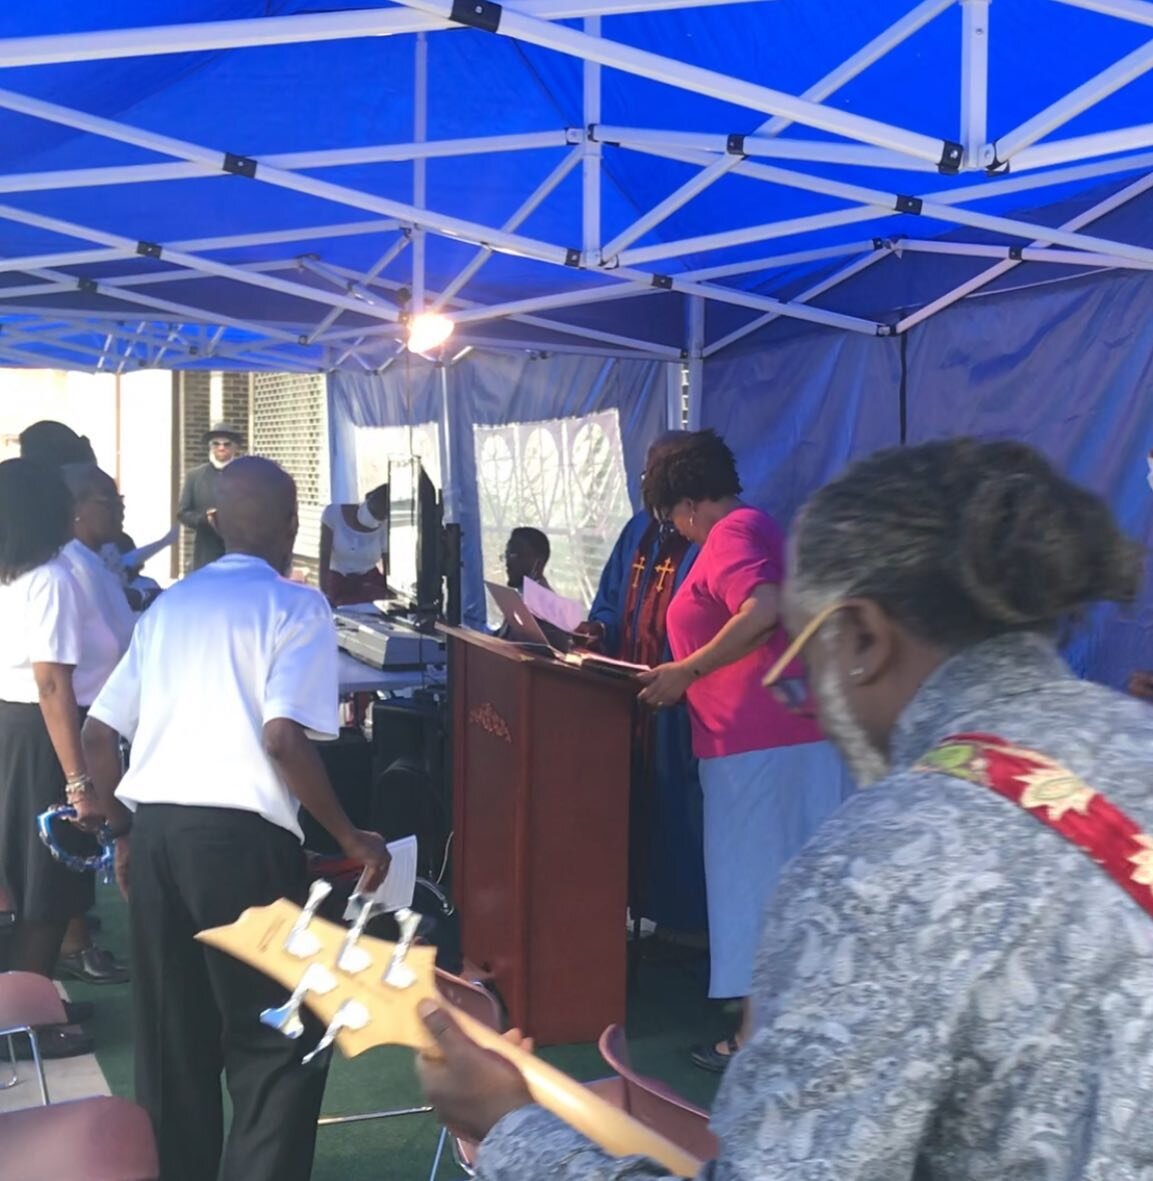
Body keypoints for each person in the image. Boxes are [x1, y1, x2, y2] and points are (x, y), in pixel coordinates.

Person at [415, 436, 1153, 1180]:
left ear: (861, 636)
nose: (814, 700)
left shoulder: (881, 867)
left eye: (813, 658)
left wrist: (509, 1129)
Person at [77, 457, 391, 1181]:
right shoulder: (295, 605)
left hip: (156, 837)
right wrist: (350, 835)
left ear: (213, 523)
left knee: (172, 1042)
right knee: (278, 1039)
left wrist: (123, 833)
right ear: (290, 527)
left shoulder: (169, 606)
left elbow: (99, 732)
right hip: (241, 844)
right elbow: (283, 737)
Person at [636, 429, 848, 1072]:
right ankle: (782, 1030)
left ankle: (758, 1040)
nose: (675, 528)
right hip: (779, 739)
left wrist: (687, 670)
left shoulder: (729, 535)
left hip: (760, 745)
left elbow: (761, 609)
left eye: (671, 515)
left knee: (756, 886)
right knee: (782, 886)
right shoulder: (756, 528)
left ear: (689, 504)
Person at [581, 431, 705, 933]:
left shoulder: (705, 535)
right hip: (631, 698)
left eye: (659, 472)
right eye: (647, 472)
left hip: (682, 708)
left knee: (683, 817)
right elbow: (611, 600)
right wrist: (597, 629)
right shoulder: (638, 531)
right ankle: (641, 909)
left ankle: (689, 928)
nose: (649, 483)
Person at [0, 459, 97, 1057]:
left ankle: (25, 1004)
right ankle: (24, 1025)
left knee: (19, 876)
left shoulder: (11, 573)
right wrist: (80, 781)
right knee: (47, 877)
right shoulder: (53, 576)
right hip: (37, 733)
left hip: (6, 724)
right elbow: (53, 685)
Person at [51, 464, 135, 988]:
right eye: (108, 499)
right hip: (80, 715)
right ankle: (72, 943)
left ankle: (78, 935)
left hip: (103, 711)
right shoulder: (66, 568)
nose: (119, 507)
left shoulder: (93, 562)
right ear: (79, 508)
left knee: (93, 833)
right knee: (81, 833)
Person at [176, 421, 242, 571]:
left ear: (235, 447)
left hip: (237, 551)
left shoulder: (244, 475)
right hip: (206, 550)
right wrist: (204, 520)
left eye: (227, 444)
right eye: (216, 443)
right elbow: (183, 512)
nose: (221, 448)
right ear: (210, 446)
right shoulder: (195, 476)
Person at [318, 483, 389, 606]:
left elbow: (387, 561)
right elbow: (324, 555)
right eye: (373, 510)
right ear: (368, 499)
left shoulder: (385, 526)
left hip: (370, 584)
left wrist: (389, 591)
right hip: (338, 582)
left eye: (380, 515)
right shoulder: (333, 514)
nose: (374, 516)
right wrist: (324, 593)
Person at [504, 527, 551, 591]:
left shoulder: (549, 600)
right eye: (506, 556)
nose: (507, 564)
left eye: (514, 556)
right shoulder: (509, 598)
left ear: (538, 562)